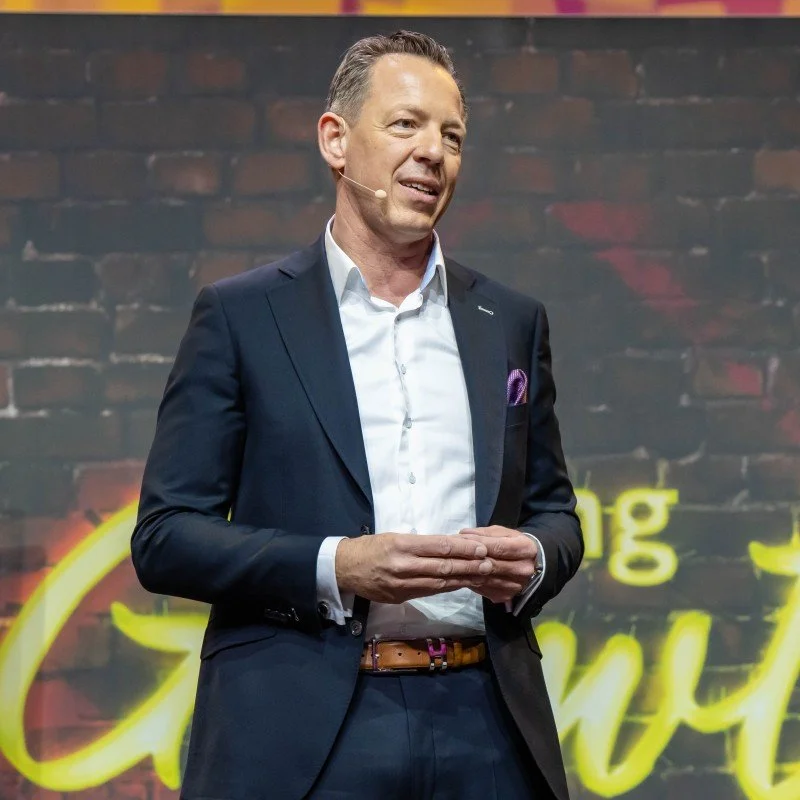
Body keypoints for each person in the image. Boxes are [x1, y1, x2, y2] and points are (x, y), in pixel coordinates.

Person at [131, 30, 583, 800]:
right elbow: (167, 536)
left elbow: (556, 514)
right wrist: (336, 567)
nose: (433, 153)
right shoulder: (243, 316)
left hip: (486, 724)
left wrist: (533, 558)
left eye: (452, 136)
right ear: (335, 141)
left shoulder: (507, 320)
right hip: (305, 727)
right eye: (405, 125)